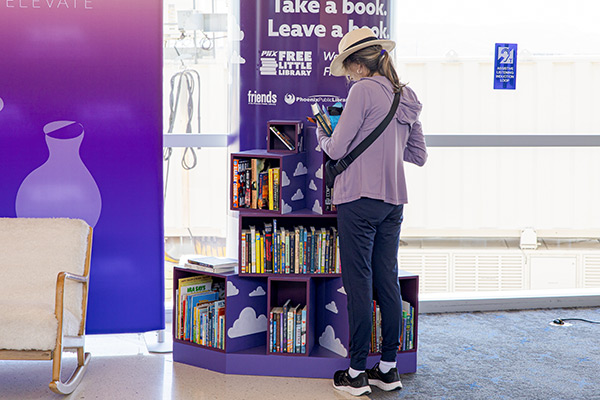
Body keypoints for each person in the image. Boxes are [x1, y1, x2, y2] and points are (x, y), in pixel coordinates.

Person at [317, 27, 427, 396]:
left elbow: (336, 149)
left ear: (359, 65)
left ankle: (356, 373)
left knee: (359, 284)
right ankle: (389, 369)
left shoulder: (362, 91)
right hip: (393, 202)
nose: (348, 76)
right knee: (387, 281)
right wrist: (387, 146)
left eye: (348, 69)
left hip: (358, 200)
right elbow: (418, 155)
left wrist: (322, 135)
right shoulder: (405, 95)